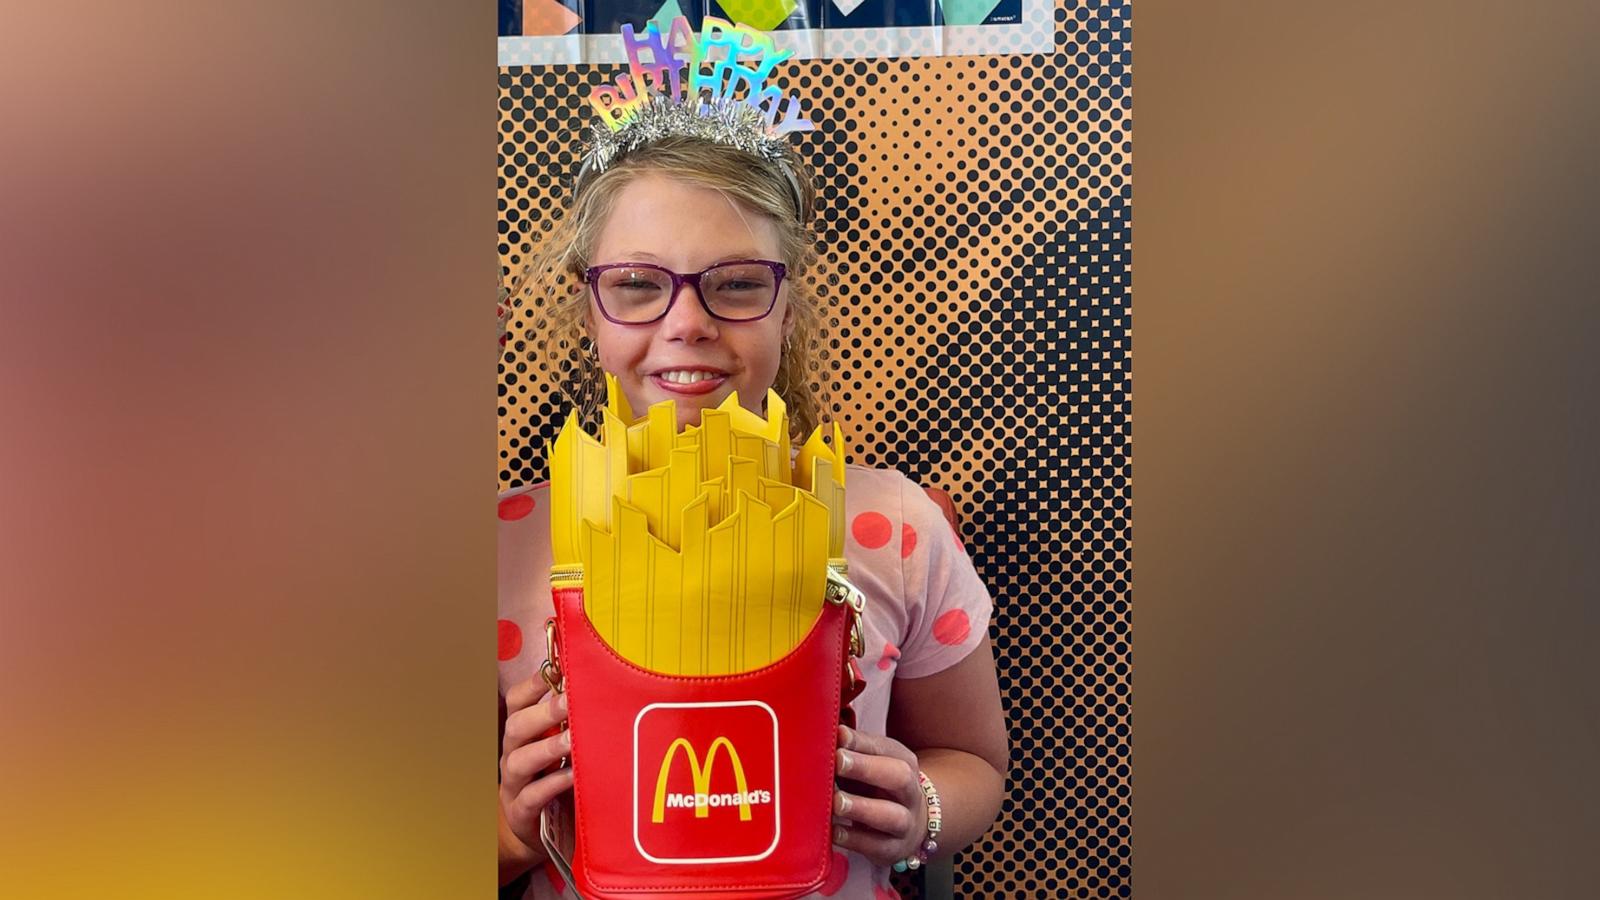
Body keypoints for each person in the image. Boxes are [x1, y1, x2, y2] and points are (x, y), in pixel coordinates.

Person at [497, 35, 1007, 900]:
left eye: (734, 284)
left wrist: (920, 806)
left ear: (787, 307)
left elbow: (974, 764)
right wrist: (513, 829)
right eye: (636, 284)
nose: (688, 322)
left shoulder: (895, 527)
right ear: (588, 305)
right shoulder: (504, 544)